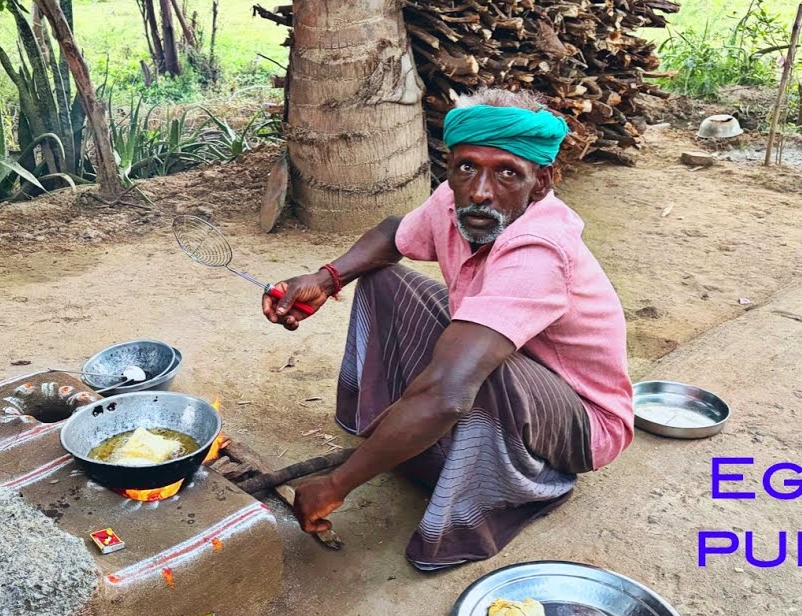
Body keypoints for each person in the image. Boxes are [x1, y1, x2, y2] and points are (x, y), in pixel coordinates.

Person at [261, 89, 633, 570]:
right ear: (452, 167)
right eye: (466, 168)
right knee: (385, 280)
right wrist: (324, 278)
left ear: (540, 182)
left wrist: (334, 487)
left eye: (506, 173)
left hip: (581, 421)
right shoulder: (457, 201)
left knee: (469, 372)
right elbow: (393, 234)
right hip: (520, 368)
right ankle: (397, 431)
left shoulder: (538, 251)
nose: (480, 190)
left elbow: (449, 393)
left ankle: (516, 488)